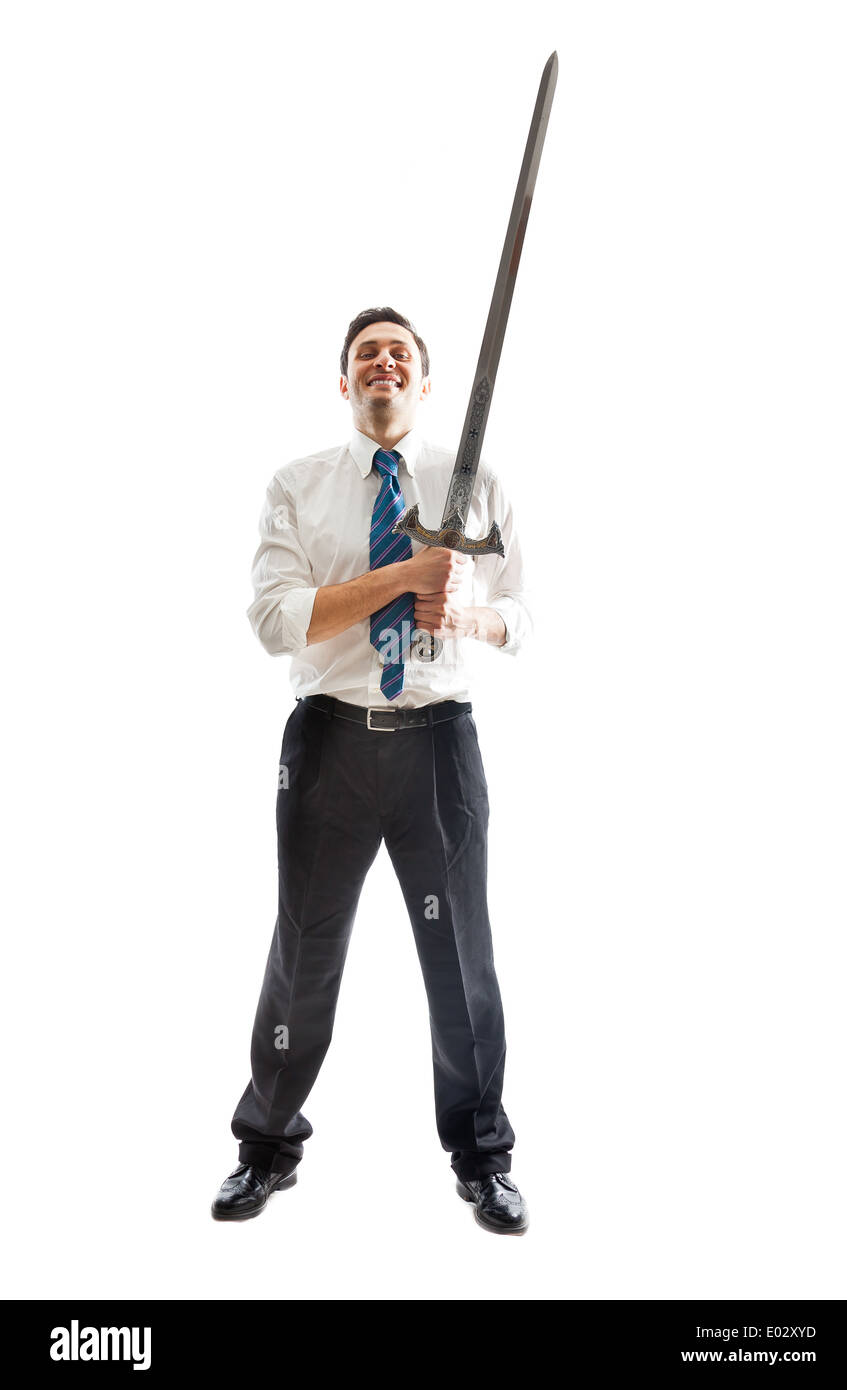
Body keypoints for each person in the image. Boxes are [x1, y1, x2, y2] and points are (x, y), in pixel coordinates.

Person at [211, 307, 532, 1234]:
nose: (383, 362)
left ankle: (482, 1155)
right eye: (366, 354)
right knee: (303, 950)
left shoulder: (477, 485)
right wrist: (401, 576)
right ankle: (266, 1144)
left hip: (438, 745)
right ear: (345, 383)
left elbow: (525, 615)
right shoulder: (297, 485)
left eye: (400, 352)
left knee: (462, 958)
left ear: (423, 383)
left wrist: (467, 617)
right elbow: (277, 622)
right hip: (330, 744)